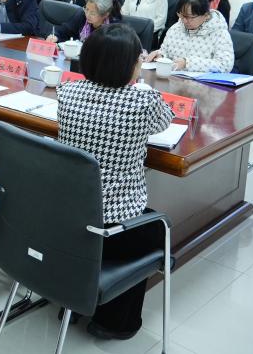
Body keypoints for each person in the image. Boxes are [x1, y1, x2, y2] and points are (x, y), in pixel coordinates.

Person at [55, 25, 173, 340]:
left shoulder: (68, 92)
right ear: (128, 65)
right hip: (117, 222)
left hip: (69, 213)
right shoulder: (142, 102)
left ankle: (74, 301)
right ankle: (114, 322)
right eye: (139, 58)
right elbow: (166, 120)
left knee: (95, 234)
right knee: (155, 229)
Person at [148, 0, 235, 73]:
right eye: (182, 15)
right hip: (174, 78)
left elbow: (225, 65)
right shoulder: (175, 28)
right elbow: (165, 51)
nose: (184, 21)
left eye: (190, 17)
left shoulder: (219, 33)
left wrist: (188, 63)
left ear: (206, 15)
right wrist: (160, 55)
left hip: (202, 83)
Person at [46, 0, 121, 43]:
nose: (87, 14)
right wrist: (55, 36)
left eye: (93, 13)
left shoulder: (113, 28)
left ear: (105, 15)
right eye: (86, 9)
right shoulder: (82, 14)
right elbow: (64, 30)